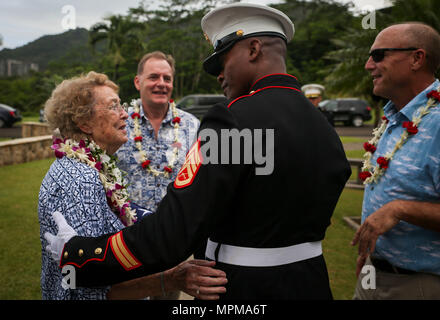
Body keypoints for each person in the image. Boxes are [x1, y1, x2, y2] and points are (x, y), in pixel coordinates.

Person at [44, 3, 351, 299]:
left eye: (223, 61)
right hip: (310, 282)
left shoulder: (234, 120)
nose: (220, 75)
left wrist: (80, 255)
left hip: (244, 288)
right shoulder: (322, 124)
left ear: (253, 50)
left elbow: (173, 233)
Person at [39, 71, 227, 300]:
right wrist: (171, 279)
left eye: (122, 105)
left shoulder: (94, 168)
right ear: (84, 122)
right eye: (113, 107)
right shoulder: (81, 179)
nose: (125, 115)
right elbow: (84, 286)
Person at [352, 22, 440, 299]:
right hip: (372, 272)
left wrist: (400, 209)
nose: (368, 65)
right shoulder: (394, 117)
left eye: (378, 55)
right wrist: (372, 257)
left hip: (420, 283)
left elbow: (397, 205)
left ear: (417, 58)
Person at [115, 51, 200, 299]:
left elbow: (200, 181)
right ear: (137, 82)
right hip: (127, 240)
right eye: (154, 77)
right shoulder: (118, 123)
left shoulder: (191, 125)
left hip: (172, 242)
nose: (161, 83)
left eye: (167, 78)